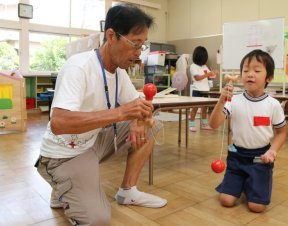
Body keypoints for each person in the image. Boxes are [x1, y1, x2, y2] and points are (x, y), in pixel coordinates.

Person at [35, 4, 167, 226]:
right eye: (135, 43)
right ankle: (60, 185)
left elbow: (138, 106)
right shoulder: (79, 66)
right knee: (98, 220)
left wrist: (138, 119)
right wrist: (121, 113)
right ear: (111, 36)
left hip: (93, 142)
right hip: (64, 154)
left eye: (142, 46)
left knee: (153, 125)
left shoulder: (119, 73)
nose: (138, 52)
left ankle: (128, 191)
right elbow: (58, 123)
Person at [209, 49, 286, 213]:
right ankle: (242, 181)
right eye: (245, 70)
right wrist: (221, 101)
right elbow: (214, 124)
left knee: (257, 207)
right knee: (226, 200)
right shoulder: (233, 100)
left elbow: (281, 133)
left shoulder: (273, 104)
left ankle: (252, 181)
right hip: (237, 156)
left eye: (257, 70)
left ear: (269, 78)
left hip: (261, 158)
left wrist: (272, 151)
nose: (250, 74)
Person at [189, 46, 218, 132]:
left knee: (205, 108)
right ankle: (192, 125)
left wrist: (213, 74)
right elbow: (197, 78)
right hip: (197, 90)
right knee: (195, 108)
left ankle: (204, 124)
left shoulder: (204, 66)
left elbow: (209, 75)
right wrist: (208, 74)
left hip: (205, 89)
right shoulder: (193, 66)